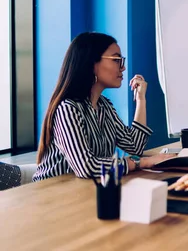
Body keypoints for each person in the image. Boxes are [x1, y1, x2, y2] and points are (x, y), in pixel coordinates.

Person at [33, 32, 173, 181]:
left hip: (83, 189)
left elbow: (134, 146)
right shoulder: (68, 108)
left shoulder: (105, 106)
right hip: (51, 194)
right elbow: (86, 166)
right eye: (116, 60)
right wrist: (141, 162)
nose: (123, 67)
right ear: (91, 63)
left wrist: (141, 99)